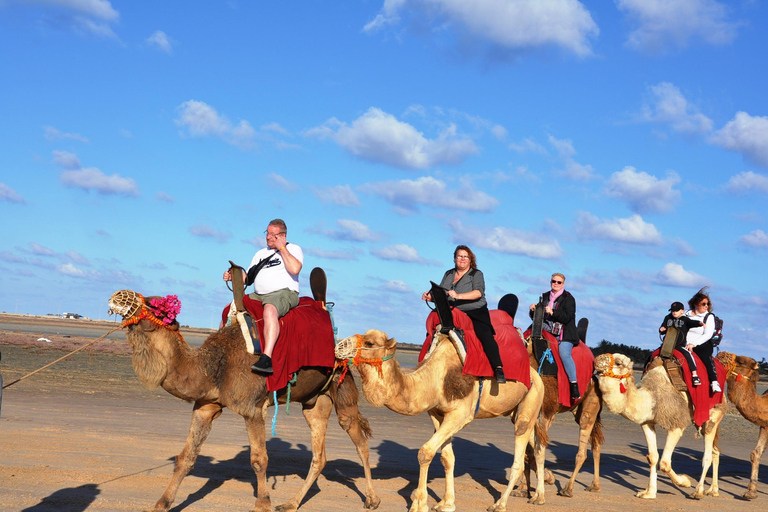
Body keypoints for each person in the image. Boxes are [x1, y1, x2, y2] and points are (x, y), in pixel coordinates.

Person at [223, 219, 303, 374]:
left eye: (273, 235)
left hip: (284, 292)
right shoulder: (260, 253)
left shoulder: (293, 249)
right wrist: (232, 276)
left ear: (282, 236)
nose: (268, 238)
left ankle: (267, 358)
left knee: (270, 310)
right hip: (258, 294)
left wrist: (282, 248)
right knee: (229, 309)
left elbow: (294, 269)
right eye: (267, 234)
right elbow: (248, 277)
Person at [421, 245, 506, 384]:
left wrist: (459, 296)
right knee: (433, 329)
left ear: (470, 259)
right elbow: (441, 293)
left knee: (484, 334)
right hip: (452, 310)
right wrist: (430, 296)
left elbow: (478, 293)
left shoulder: (476, 274)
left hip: (475, 311)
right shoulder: (448, 274)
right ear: (454, 258)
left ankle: (498, 368)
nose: (462, 259)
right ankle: (427, 362)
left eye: (465, 256)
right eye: (459, 256)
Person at [529, 273, 581, 400]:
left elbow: (568, 317)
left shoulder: (569, 298)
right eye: (554, 281)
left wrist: (553, 312)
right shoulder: (545, 296)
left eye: (559, 282)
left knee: (564, 353)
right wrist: (533, 310)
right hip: (545, 328)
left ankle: (573, 384)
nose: (556, 284)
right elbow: (538, 317)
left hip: (564, 332)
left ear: (563, 284)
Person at [659, 301, 704, 385]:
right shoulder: (667, 318)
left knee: (688, 354)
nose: (674, 312)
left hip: (679, 345)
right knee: (654, 354)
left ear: (682, 311)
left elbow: (692, 323)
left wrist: (699, 323)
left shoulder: (685, 320)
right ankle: (646, 370)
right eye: (673, 310)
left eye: (676, 310)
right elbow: (663, 327)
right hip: (667, 345)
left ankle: (695, 375)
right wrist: (661, 330)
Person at [685, 287, 720, 393]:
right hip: (683, 343)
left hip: (701, 343)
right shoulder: (685, 314)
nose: (706, 306)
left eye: (707, 304)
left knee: (705, 356)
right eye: (703, 304)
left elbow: (707, 334)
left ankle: (714, 381)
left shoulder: (709, 317)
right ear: (696, 304)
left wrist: (693, 344)